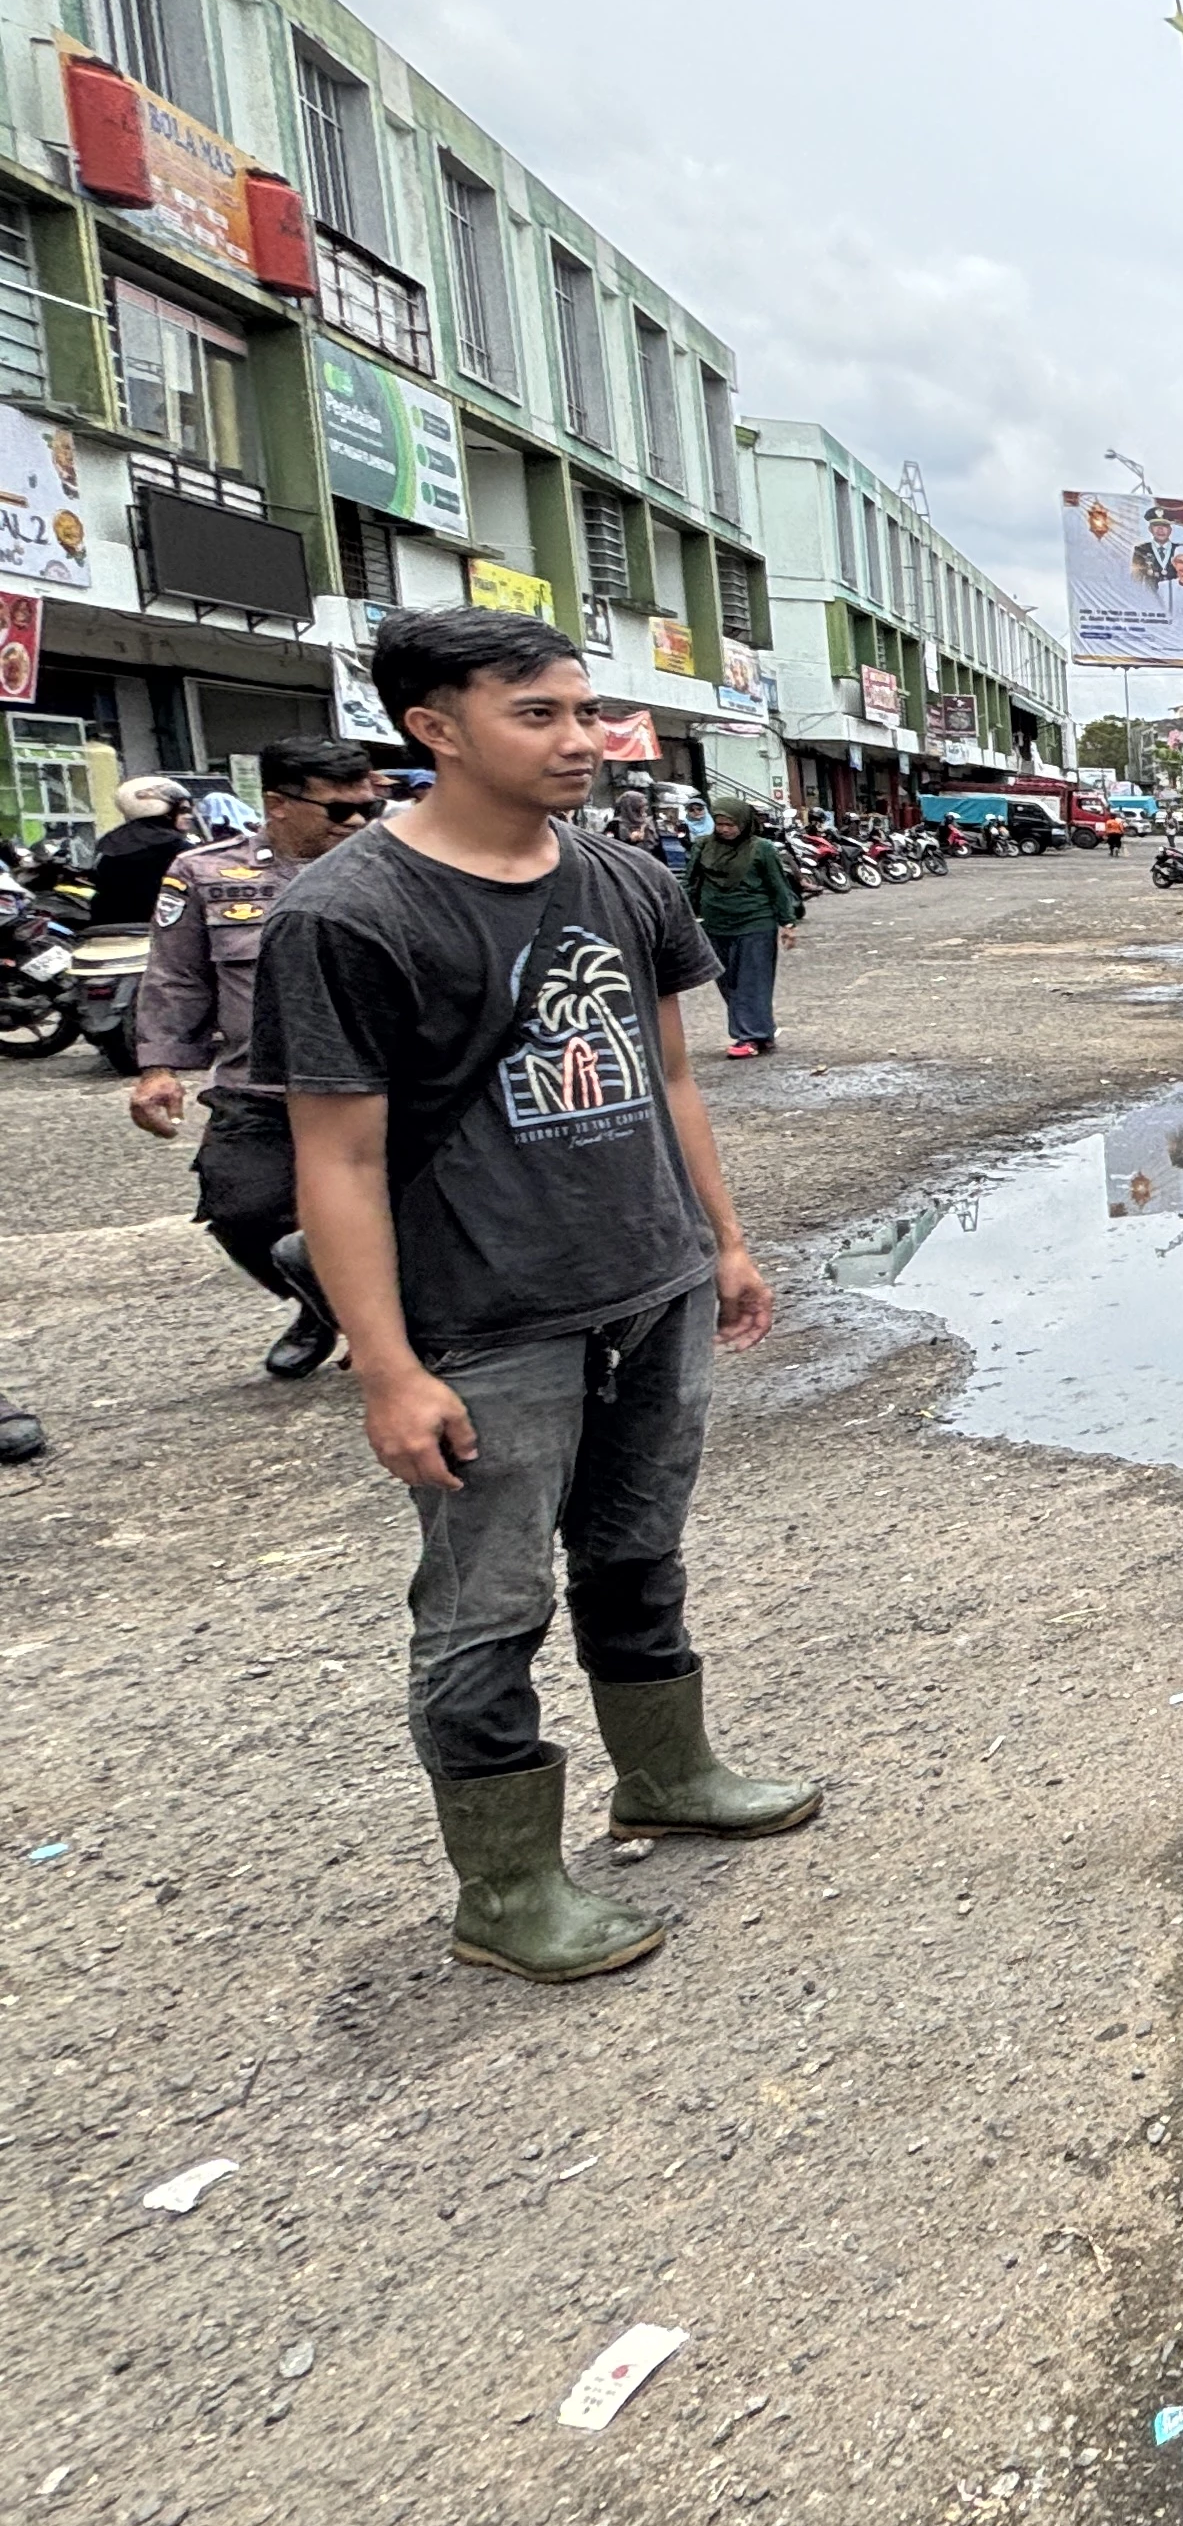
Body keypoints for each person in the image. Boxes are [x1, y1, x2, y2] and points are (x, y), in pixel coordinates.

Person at [255, 605, 815, 1987]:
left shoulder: (628, 881)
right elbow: (338, 1153)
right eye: (539, 716)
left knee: (637, 1548)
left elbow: (671, 1076)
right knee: (485, 1604)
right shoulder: (349, 913)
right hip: (484, 1317)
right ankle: (505, 1886)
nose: (581, 741)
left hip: (651, 1279)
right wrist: (385, 1364)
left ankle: (665, 1773)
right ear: (432, 727)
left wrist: (723, 1242)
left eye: (585, 712)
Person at [130, 735, 386, 1380]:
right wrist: (160, 1068)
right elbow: (177, 977)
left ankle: (389, 1319)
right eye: (337, 810)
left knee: (403, 1207)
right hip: (262, 1085)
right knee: (241, 1207)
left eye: (368, 809)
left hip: (381, 1083)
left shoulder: (399, 869)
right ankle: (322, 1303)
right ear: (278, 803)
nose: (356, 823)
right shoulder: (206, 874)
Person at [681, 796, 804, 1059]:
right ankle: (761, 1031)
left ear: (743, 823)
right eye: (720, 823)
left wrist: (787, 923)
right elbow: (691, 884)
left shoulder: (762, 849)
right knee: (727, 982)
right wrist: (683, 918)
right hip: (715, 925)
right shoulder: (703, 847)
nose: (724, 829)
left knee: (753, 981)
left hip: (755, 923)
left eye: (731, 824)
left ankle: (748, 1036)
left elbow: (777, 888)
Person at [87, 773, 198, 927]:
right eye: (182, 810)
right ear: (164, 811)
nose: (189, 816)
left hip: (108, 924)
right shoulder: (178, 846)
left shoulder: (110, 840)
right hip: (165, 928)